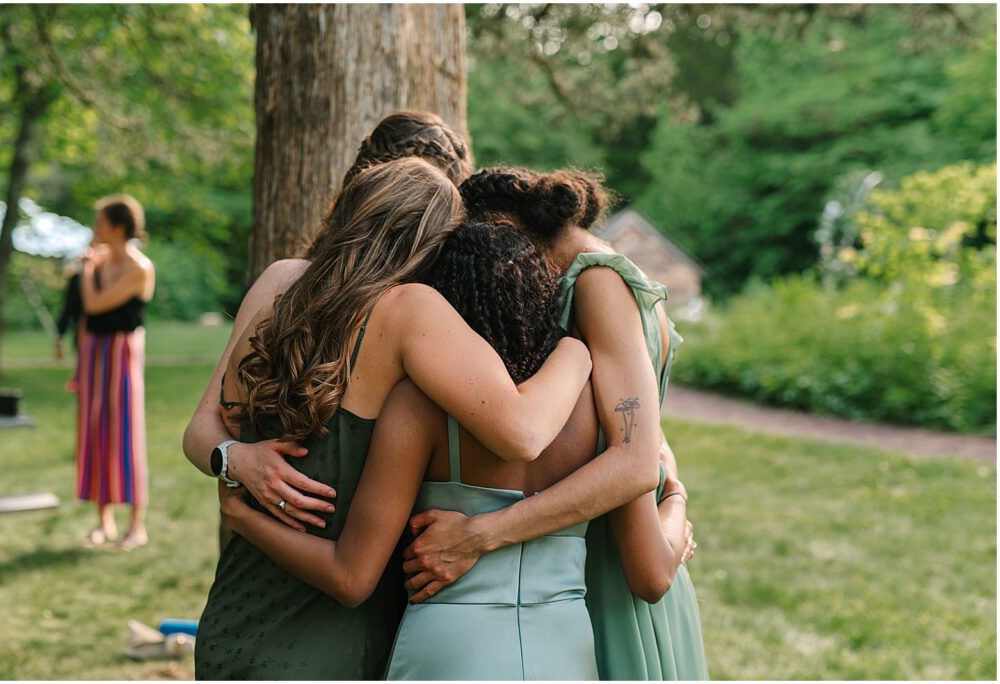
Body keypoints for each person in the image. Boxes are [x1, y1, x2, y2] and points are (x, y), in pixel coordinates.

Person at [219, 221, 690, 680]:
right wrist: (676, 499)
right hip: (565, 646)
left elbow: (351, 575)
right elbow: (643, 533)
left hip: (447, 646)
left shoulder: (418, 407)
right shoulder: (589, 393)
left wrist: (244, 519)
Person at [193, 158, 592, 680]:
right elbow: (523, 433)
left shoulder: (280, 282)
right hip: (326, 645)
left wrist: (232, 460)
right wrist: (578, 351)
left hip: (232, 617)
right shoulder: (409, 310)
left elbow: (199, 431)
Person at [403, 167, 709, 679]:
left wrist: (481, 534)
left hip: (610, 577)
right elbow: (643, 434)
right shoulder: (615, 275)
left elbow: (633, 464)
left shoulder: (598, 284)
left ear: (504, 228)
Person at [182, 111, 476, 532]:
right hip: (280, 540)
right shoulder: (287, 282)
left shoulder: (440, 307)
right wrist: (236, 458)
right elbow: (200, 429)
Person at [76, 195, 154, 550]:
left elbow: (94, 302)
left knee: (125, 432)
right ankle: (103, 521)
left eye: (101, 222)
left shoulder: (140, 267)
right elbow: (87, 317)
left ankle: (136, 526)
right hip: (94, 351)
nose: (96, 228)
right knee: (94, 432)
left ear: (119, 227)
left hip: (122, 352)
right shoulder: (103, 262)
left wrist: (87, 269)